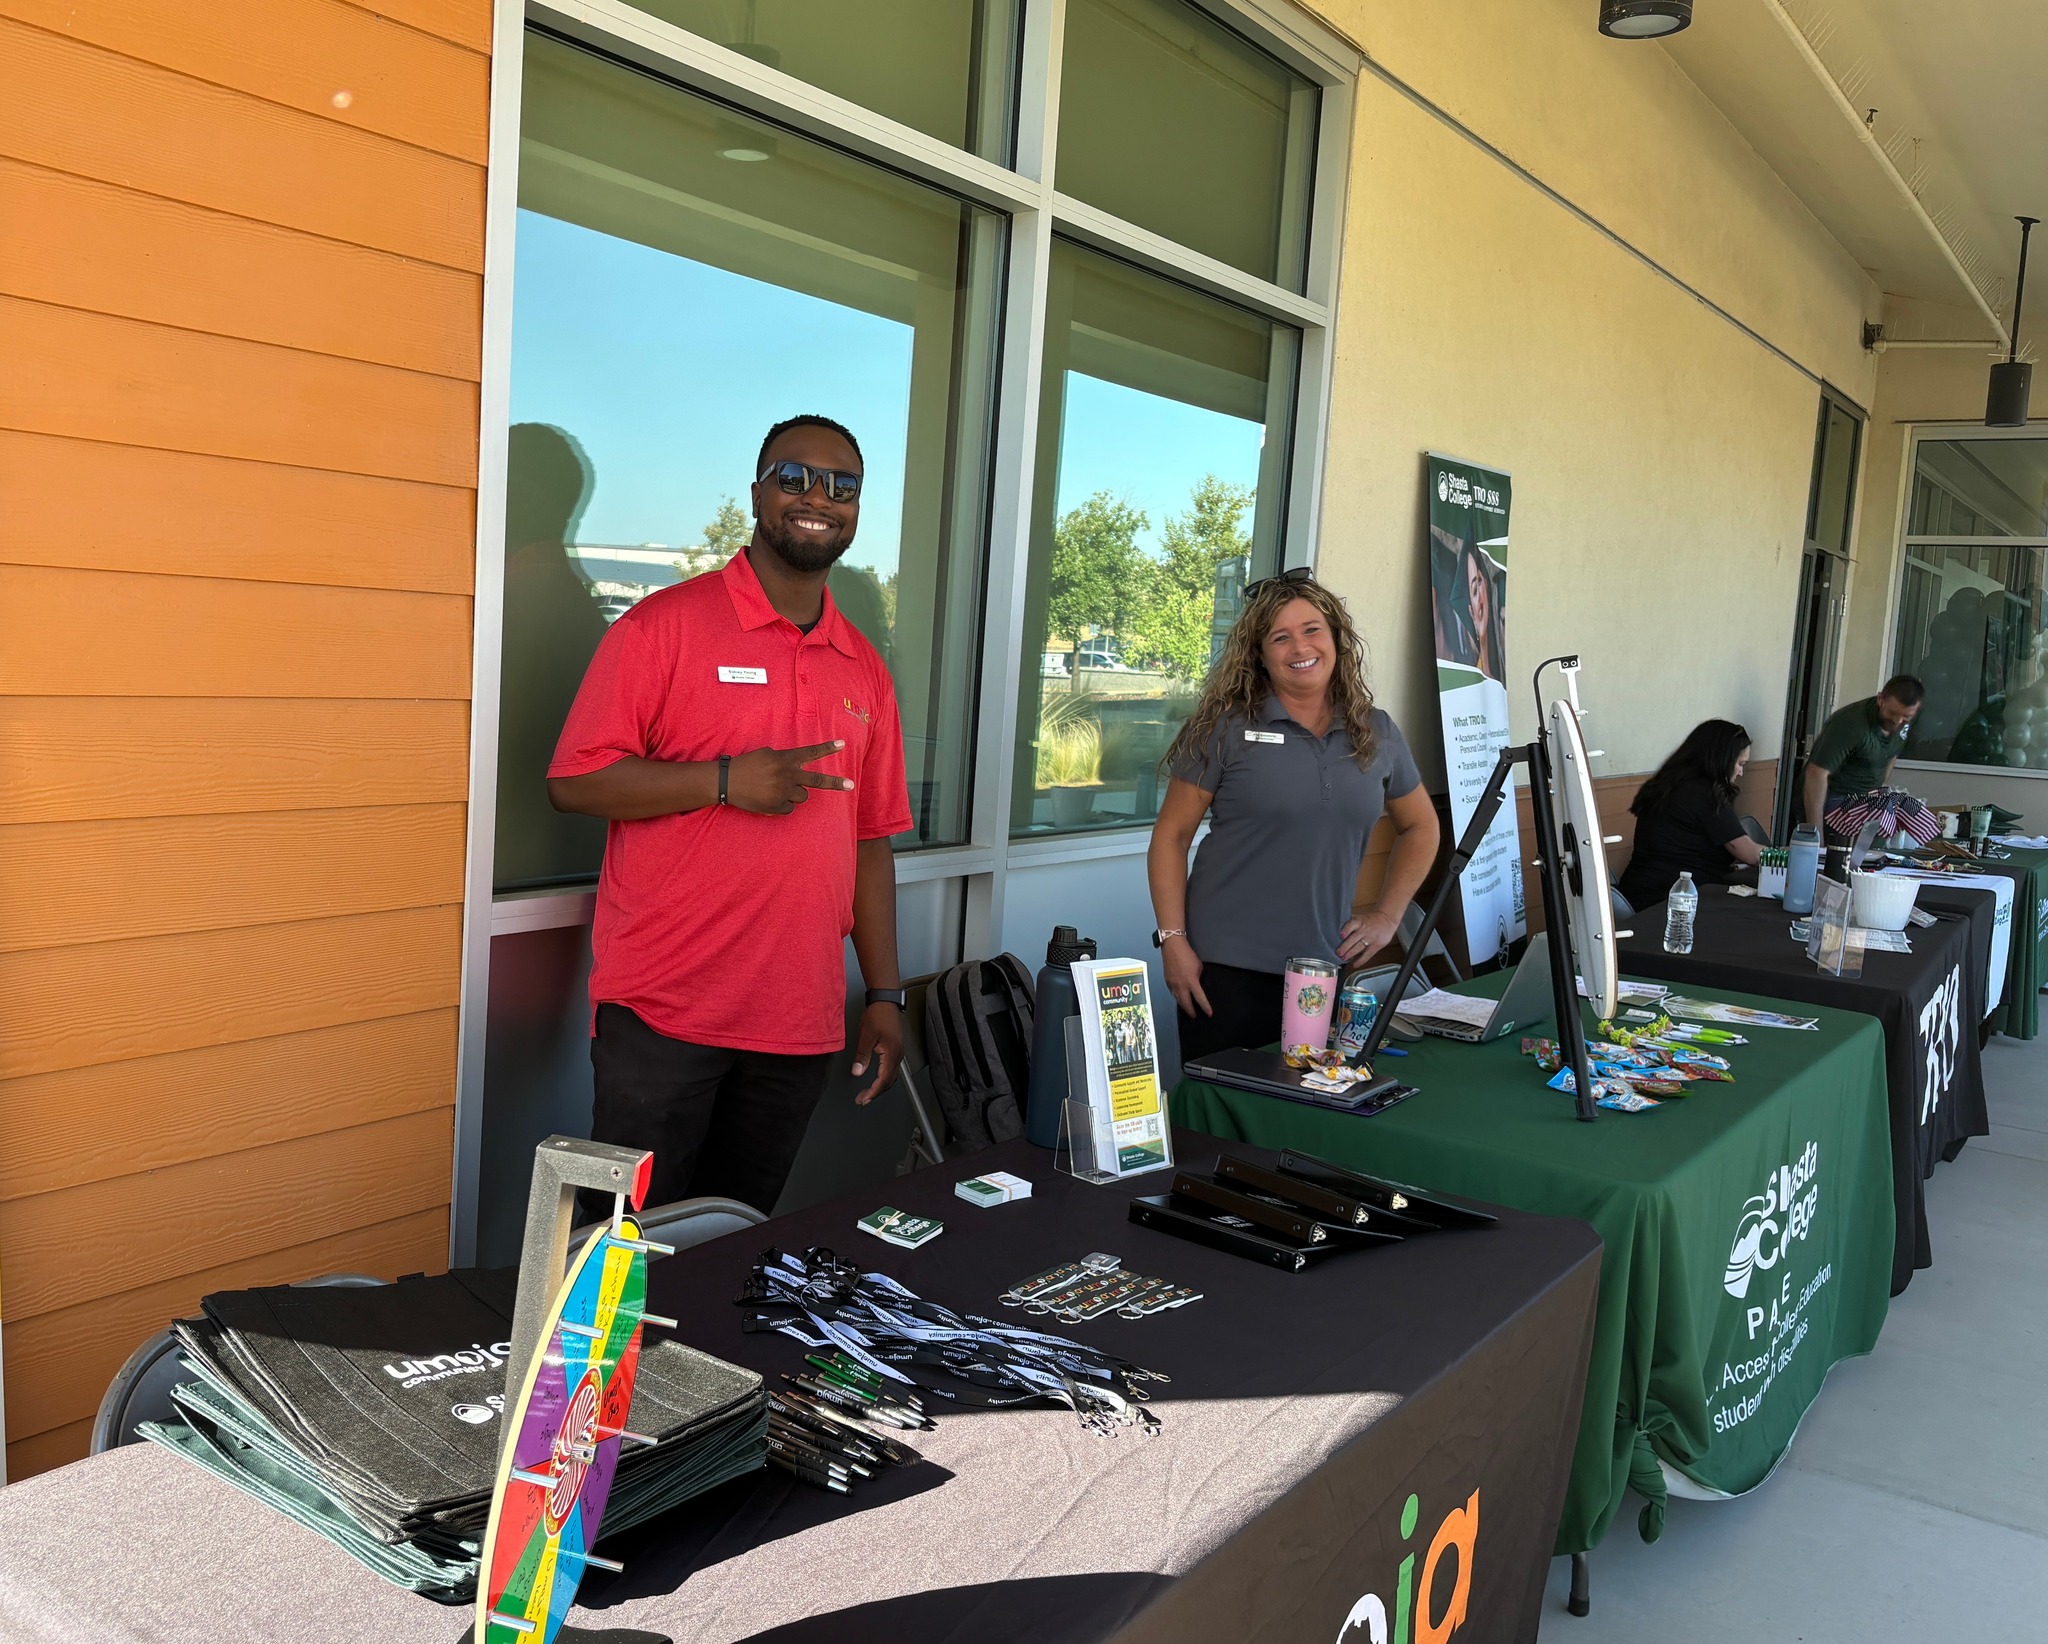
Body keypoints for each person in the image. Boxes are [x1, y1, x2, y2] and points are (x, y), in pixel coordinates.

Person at [546, 414, 912, 1215]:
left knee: (728, 1247)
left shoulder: (864, 670)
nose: (817, 498)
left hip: (795, 1020)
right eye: (794, 477)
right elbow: (574, 780)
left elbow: (872, 844)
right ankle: (584, 1351)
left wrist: (886, 994)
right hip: (665, 1012)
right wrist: (721, 781)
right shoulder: (663, 628)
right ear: (757, 493)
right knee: (613, 1254)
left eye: (841, 487)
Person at [1146, 570, 1441, 1062]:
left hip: (1323, 967)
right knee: (1223, 1118)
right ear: (1259, 654)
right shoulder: (1227, 730)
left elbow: (1421, 826)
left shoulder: (1376, 731)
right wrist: (1172, 941)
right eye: (1280, 637)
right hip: (1223, 968)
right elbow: (1171, 837)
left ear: (1336, 639)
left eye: (1311, 630)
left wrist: (1388, 915)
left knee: (1305, 1108)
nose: (1299, 646)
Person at [1617, 720, 1763, 910]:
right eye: (1740, 764)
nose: (1741, 772)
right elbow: (1749, 853)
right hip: (1667, 902)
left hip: (1640, 894)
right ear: (1722, 759)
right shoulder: (1705, 793)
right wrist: (1790, 855)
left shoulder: (1671, 783)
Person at [1803, 675, 1933, 844]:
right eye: (1892, 713)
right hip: (1837, 798)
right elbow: (1816, 773)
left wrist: (1880, 791)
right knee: (1879, 824)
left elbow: (1892, 753)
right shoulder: (1850, 723)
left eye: (1905, 717)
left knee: (1915, 814)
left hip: (1870, 797)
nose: (1897, 721)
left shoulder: (1906, 720)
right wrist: (1816, 836)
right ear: (1881, 699)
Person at [1460, 542, 1505, 684]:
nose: (1480, 597)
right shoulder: (1472, 675)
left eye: (1480, 582)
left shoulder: (1502, 662)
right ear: (1471, 612)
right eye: (1474, 591)